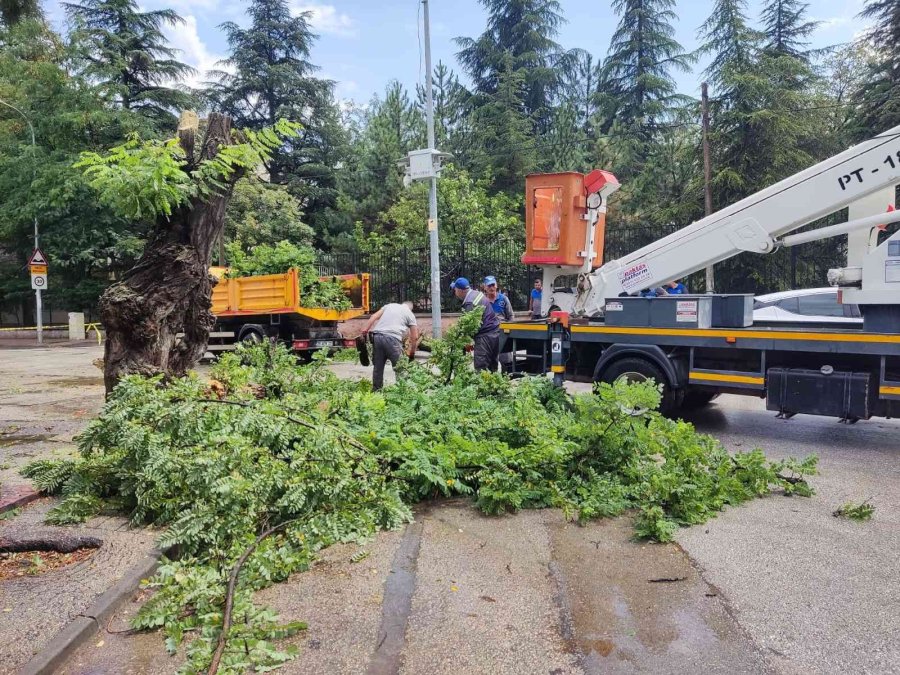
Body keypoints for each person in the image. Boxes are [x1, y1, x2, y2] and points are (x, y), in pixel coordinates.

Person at [361, 301, 418, 391]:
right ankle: (403, 392)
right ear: (410, 308)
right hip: (393, 339)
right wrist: (412, 354)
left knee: (378, 367)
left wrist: (364, 330)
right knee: (400, 368)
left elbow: (373, 317)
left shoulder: (389, 306)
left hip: (377, 337)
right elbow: (414, 337)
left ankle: (376, 391)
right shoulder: (410, 314)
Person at [449, 277, 501, 372]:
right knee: (492, 366)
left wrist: (467, 341)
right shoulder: (477, 294)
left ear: (460, 290)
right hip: (494, 333)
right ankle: (493, 385)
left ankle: (483, 386)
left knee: (481, 367)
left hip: (484, 336)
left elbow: (468, 326)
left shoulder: (469, 302)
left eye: (455, 289)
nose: (454, 292)